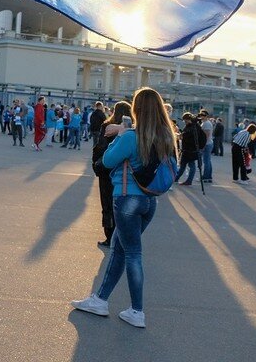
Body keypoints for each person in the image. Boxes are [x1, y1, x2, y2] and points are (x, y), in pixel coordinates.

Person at [71, 86, 177, 329]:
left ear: (137, 109)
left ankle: (137, 311)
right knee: (120, 249)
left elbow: (108, 161)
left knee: (131, 254)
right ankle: (99, 300)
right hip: (150, 201)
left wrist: (120, 134)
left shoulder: (131, 137)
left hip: (127, 199)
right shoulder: (166, 136)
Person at [92, 101, 131, 247]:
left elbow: (100, 147)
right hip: (124, 171)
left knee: (107, 203)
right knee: (122, 204)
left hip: (107, 170)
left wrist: (96, 165)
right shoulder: (131, 129)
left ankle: (109, 236)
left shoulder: (106, 126)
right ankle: (120, 236)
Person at [175, 112, 205, 186]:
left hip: (189, 150)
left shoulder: (192, 127)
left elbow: (188, 136)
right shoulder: (196, 126)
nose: (184, 122)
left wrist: (181, 135)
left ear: (189, 119)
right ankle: (186, 180)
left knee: (184, 165)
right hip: (192, 150)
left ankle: (177, 178)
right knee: (190, 165)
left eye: (185, 120)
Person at [198, 109, 214, 184]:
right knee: (208, 161)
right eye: (201, 115)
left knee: (206, 161)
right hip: (208, 144)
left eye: (203, 115)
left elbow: (206, 135)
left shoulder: (206, 123)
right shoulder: (205, 123)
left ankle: (205, 176)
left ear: (206, 116)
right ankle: (208, 177)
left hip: (207, 144)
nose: (202, 117)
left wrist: (203, 145)